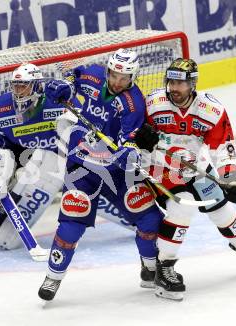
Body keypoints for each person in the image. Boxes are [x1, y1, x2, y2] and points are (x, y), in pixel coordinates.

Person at [135, 58, 236, 301]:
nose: (174, 88)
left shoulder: (211, 110)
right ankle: (164, 267)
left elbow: (222, 147)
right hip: (159, 167)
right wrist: (141, 138)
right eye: (171, 82)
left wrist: (231, 180)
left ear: (192, 84)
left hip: (194, 167)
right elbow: (130, 131)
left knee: (221, 206)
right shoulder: (153, 103)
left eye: (180, 83)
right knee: (182, 206)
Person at [37, 48, 165, 301]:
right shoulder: (92, 74)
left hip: (116, 173)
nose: (118, 82)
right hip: (81, 167)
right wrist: (61, 89)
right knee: (71, 225)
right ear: (108, 70)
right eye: (114, 75)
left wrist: (128, 153)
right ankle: (53, 277)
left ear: (133, 77)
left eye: (124, 77)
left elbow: (130, 141)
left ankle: (151, 268)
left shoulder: (134, 104)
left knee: (150, 218)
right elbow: (71, 82)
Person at [0, 63, 72, 250]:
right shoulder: (3, 106)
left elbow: (77, 133)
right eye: (16, 86)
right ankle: (4, 228)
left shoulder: (57, 101)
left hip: (59, 158)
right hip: (26, 156)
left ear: (37, 86)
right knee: (9, 179)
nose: (18, 90)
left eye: (23, 85)